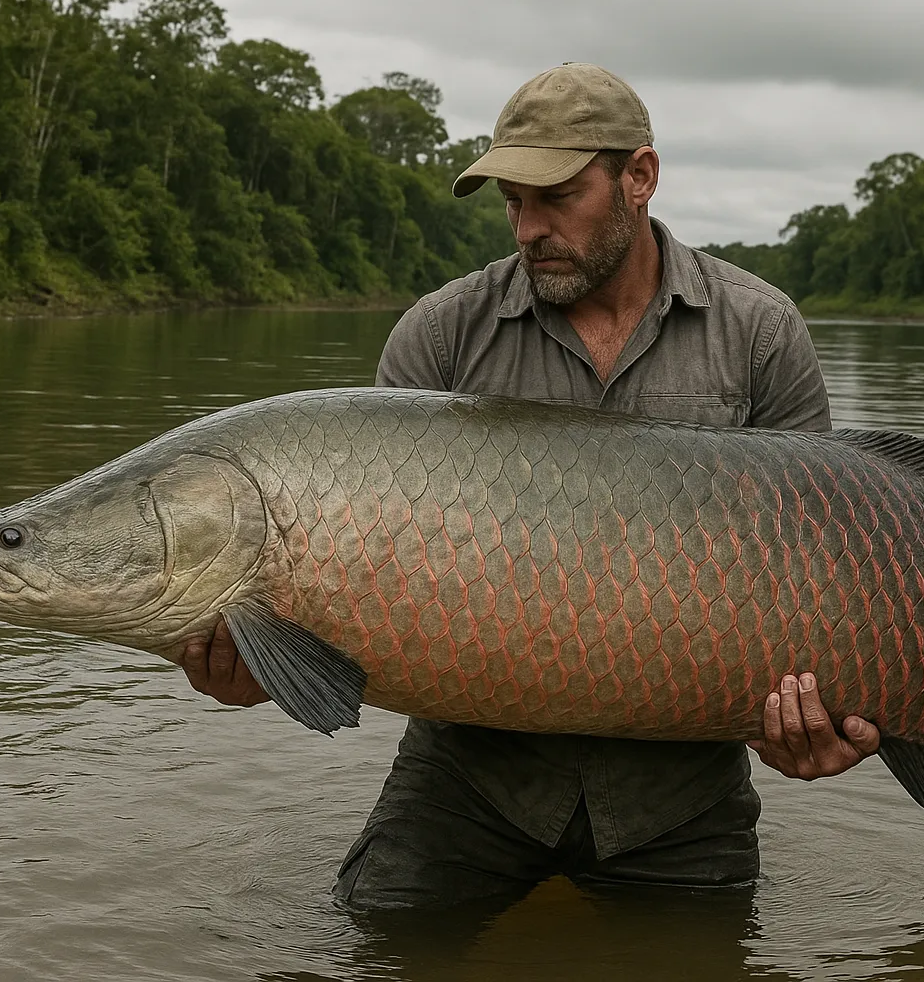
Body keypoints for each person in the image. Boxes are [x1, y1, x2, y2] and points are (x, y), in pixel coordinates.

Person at [181, 63, 882, 910]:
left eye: (556, 198)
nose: (528, 228)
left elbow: (818, 566)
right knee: (378, 945)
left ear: (640, 178)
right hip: (472, 780)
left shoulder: (759, 333)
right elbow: (368, 591)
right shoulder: (440, 336)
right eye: (513, 201)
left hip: (678, 794)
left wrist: (816, 723)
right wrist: (266, 664)